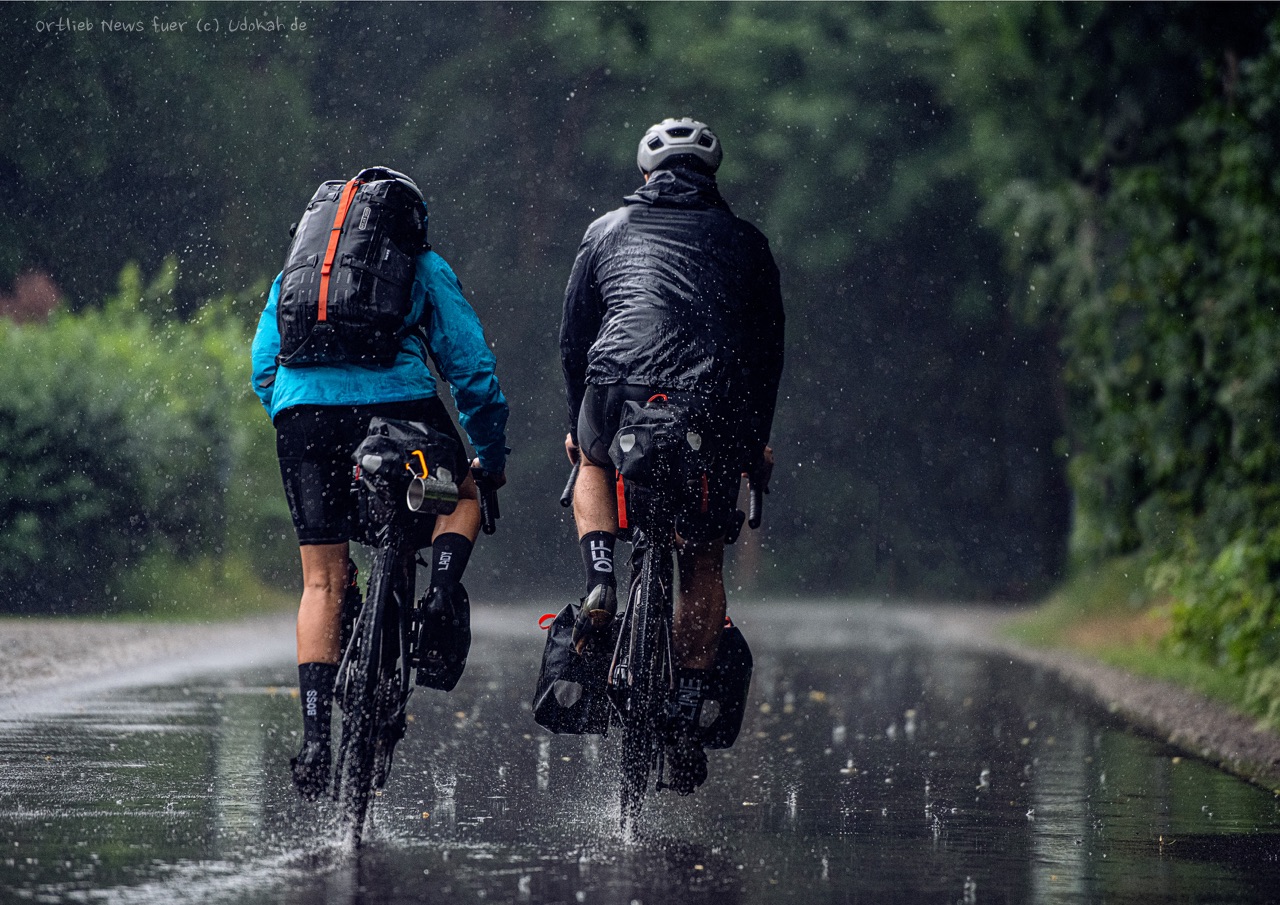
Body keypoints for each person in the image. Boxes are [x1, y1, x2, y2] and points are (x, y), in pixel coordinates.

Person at [251, 174, 508, 800]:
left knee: (322, 581)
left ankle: (315, 740)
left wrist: (304, 421)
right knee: (463, 494)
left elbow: (265, 371)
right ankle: (441, 594)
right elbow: (471, 369)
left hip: (305, 419)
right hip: (405, 414)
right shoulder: (421, 266)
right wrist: (488, 455)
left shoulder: (298, 273)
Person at [560, 117, 784, 794]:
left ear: (646, 173)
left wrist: (579, 420)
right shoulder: (746, 243)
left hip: (617, 390)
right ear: (712, 178)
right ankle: (686, 708)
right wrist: (753, 443)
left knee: (592, 461)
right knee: (702, 558)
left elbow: (574, 338)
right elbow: (766, 356)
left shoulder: (604, 231)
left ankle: (601, 573)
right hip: (707, 406)